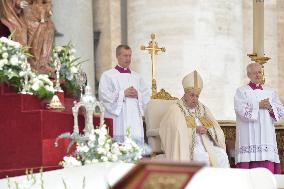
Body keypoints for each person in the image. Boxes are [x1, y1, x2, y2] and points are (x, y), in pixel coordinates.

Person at [159, 70, 229, 167]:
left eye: (197, 96)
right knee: (200, 157)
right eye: (192, 95)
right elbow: (171, 129)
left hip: (205, 144)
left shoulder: (202, 109)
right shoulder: (176, 109)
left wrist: (208, 130)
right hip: (188, 146)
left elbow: (215, 127)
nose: (195, 98)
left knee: (222, 154)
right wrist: (194, 130)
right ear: (185, 94)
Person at [234, 63, 284, 174]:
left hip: (266, 135)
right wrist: (258, 105)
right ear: (248, 74)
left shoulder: (270, 91)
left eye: (260, 72)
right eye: (255, 72)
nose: (258, 75)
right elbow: (239, 109)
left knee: (267, 172)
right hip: (248, 135)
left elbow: (280, 110)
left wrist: (271, 107)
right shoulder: (241, 91)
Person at [98, 44, 150, 146]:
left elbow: (146, 95)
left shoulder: (137, 77)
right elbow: (104, 96)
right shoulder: (108, 75)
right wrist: (123, 93)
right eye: (125, 55)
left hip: (134, 117)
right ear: (117, 56)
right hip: (118, 119)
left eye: (130, 55)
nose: (128, 58)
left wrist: (138, 94)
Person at [0, 0, 55, 73]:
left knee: (49, 27)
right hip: (23, 12)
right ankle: (32, 61)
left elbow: (47, 2)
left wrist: (47, 9)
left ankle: (42, 63)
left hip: (38, 11)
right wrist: (19, 3)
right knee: (33, 27)